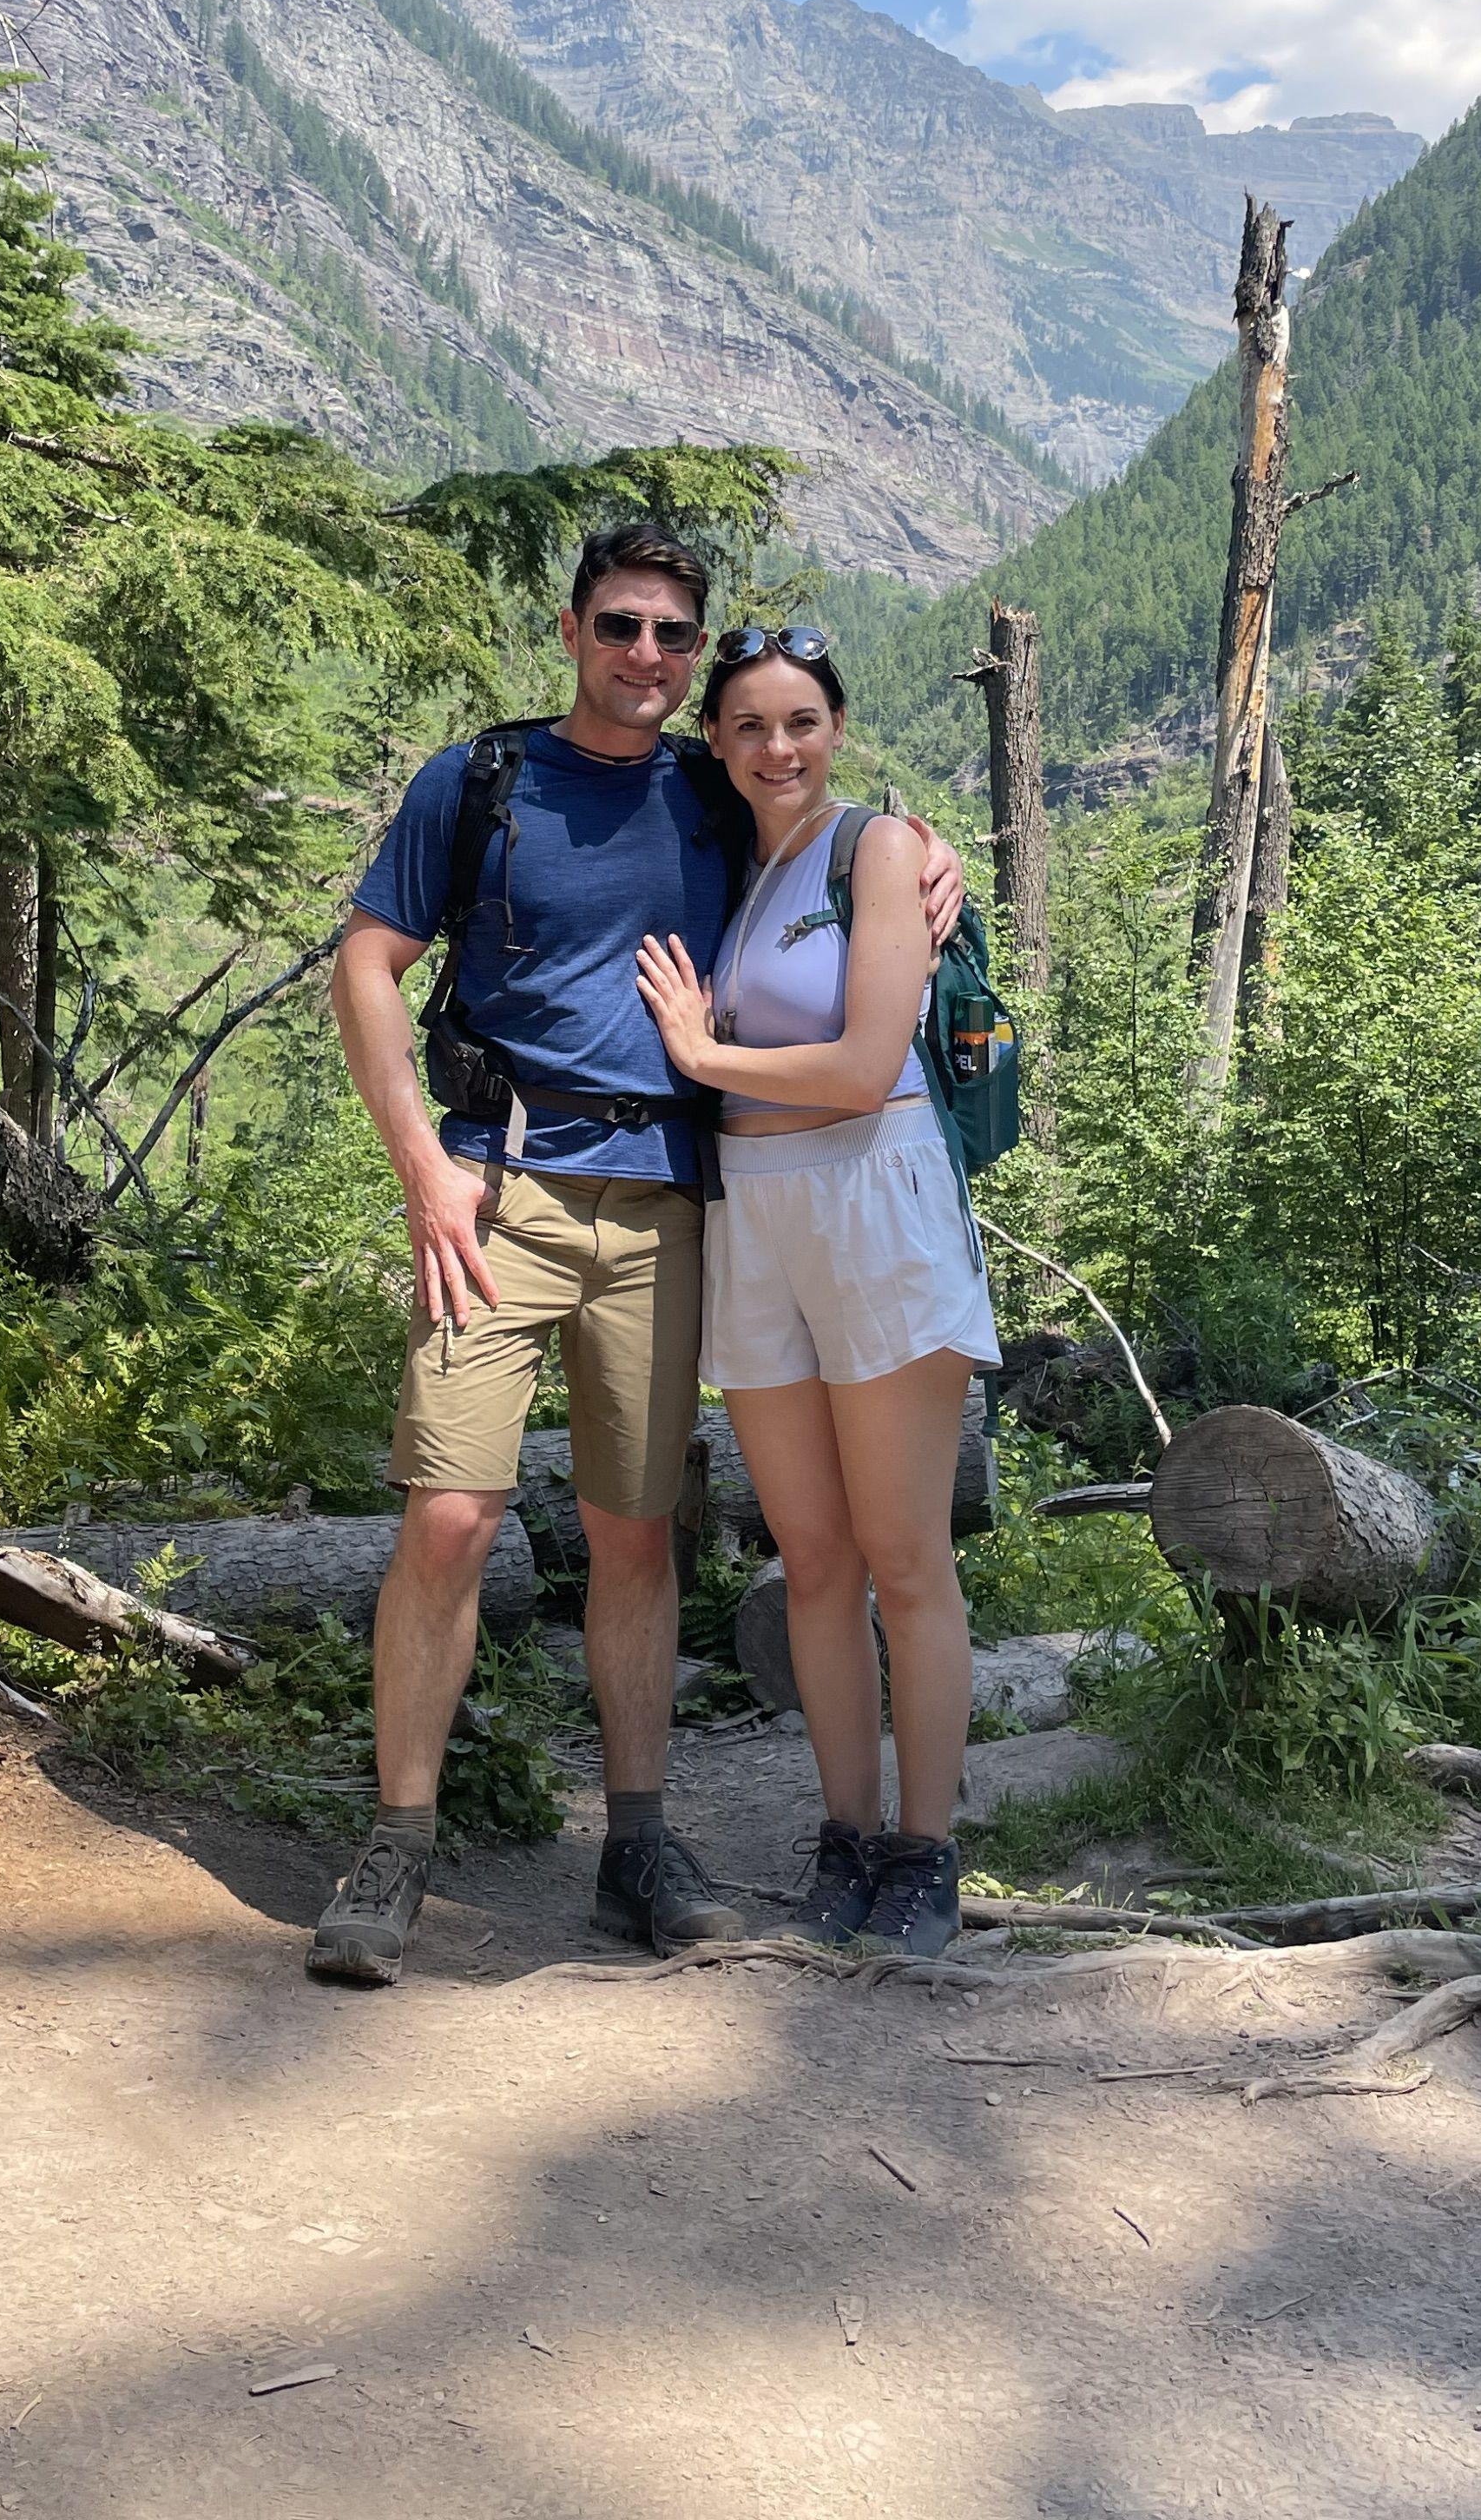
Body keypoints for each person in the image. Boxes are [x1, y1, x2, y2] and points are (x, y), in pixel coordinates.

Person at [311, 526, 964, 1986]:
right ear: (572, 631)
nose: (649, 658)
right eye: (622, 627)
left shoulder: (712, 786)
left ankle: (638, 1846)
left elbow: (829, 834)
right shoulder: (479, 781)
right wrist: (421, 1165)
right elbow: (365, 960)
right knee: (451, 1518)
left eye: (675, 635)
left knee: (637, 1533)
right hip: (498, 1190)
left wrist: (935, 861)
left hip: (674, 1200)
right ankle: (398, 1844)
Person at [630, 624, 1000, 1963]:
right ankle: (846, 1837)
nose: (775, 746)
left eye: (799, 720)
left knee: (907, 1559)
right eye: (747, 725)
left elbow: (860, 1065)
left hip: (874, 1197)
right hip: (759, 1218)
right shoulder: (744, 861)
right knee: (815, 1564)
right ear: (717, 744)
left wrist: (701, 1052)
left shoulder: (879, 851)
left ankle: (927, 1853)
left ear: (835, 728)